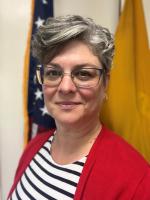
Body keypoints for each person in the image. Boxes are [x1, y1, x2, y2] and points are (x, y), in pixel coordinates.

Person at [8, 15, 150, 200]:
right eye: (53, 72)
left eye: (83, 74)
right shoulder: (33, 147)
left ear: (105, 83)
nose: (65, 87)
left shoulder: (137, 182)